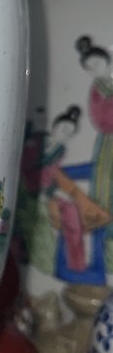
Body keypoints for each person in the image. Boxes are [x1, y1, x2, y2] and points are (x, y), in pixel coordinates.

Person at [77, 36, 113, 265]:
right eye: (89, 68)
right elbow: (101, 121)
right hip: (108, 144)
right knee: (104, 187)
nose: (95, 70)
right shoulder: (98, 90)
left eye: (97, 64)